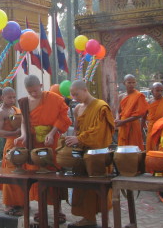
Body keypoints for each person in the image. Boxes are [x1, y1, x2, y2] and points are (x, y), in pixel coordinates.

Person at [15, 75, 71, 224]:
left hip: (51, 143)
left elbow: (64, 117)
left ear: (41, 85)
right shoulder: (25, 102)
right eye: (30, 91)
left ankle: (58, 209)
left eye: (35, 90)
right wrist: (24, 135)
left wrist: (52, 133)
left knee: (54, 174)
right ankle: (41, 208)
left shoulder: (54, 98)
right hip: (34, 144)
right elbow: (24, 122)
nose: (33, 94)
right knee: (37, 176)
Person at [65, 80, 115, 228]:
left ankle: (103, 220)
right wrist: (73, 141)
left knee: (98, 190)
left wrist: (79, 139)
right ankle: (88, 218)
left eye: (76, 94)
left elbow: (99, 131)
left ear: (85, 90)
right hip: (82, 154)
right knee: (83, 188)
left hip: (97, 155)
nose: (74, 98)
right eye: (72, 95)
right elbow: (77, 130)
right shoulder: (78, 108)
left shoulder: (101, 107)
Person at [0, 87, 23, 216]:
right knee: (10, 174)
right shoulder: (1, 112)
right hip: (11, 145)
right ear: (3, 97)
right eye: (9, 97)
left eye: (14, 97)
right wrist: (14, 133)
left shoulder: (14, 109)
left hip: (20, 144)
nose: (12, 99)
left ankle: (19, 202)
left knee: (20, 173)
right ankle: (8, 204)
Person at [116, 74, 148, 150]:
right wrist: (117, 119)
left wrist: (123, 121)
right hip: (123, 125)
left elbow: (139, 114)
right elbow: (118, 111)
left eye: (133, 82)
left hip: (133, 125)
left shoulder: (139, 96)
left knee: (134, 148)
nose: (131, 85)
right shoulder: (121, 96)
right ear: (124, 83)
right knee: (123, 149)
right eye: (129, 82)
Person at [143, 82, 163, 151]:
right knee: (150, 148)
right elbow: (143, 116)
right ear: (152, 91)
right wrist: (141, 129)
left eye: (161, 91)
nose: (160, 93)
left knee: (162, 148)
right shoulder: (149, 103)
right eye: (157, 90)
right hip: (152, 129)